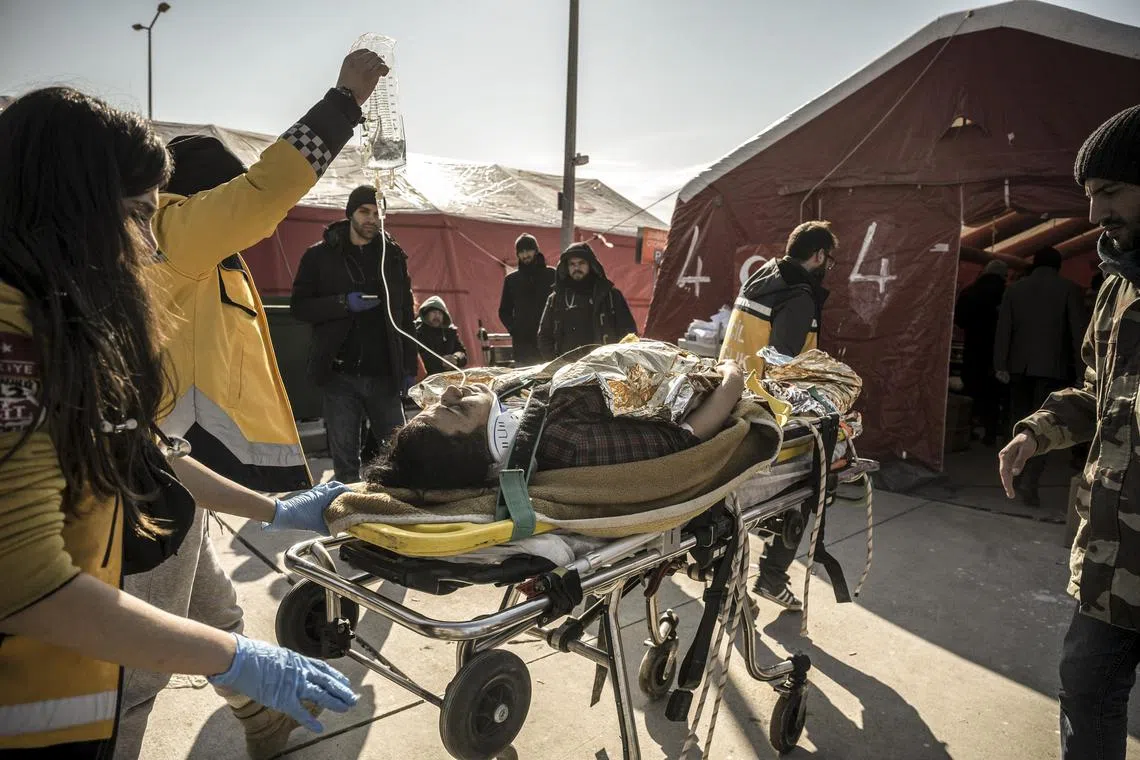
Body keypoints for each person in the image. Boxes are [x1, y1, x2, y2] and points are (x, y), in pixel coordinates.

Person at [0, 87, 357, 758]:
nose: (147, 244)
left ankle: (258, 711)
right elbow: (29, 586)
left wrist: (276, 512)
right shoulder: (13, 340)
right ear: (67, 207)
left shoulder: (61, 323)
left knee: (206, 605)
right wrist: (348, 98)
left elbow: (144, 456)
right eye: (137, 215)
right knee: (163, 659)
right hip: (46, 707)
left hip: (80, 676)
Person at [998, 103, 1140, 760]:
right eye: (1089, 196)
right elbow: (1096, 388)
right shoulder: (1117, 284)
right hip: (1116, 559)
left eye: (1109, 193)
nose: (1094, 215)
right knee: (1086, 690)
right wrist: (1037, 431)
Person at [369, 355, 745, 490]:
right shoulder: (567, 441)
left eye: (437, 403)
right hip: (704, 376)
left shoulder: (514, 400)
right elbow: (687, 440)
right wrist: (732, 376)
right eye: (455, 410)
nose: (451, 393)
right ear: (497, 440)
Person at [719, 220, 837, 611]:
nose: (828, 266)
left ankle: (733, 581)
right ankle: (770, 576)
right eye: (828, 259)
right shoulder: (799, 295)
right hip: (766, 411)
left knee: (730, 501)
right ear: (818, 255)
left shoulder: (761, 276)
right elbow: (783, 366)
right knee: (811, 482)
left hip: (728, 398)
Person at [291, 185, 418, 484]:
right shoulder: (319, 257)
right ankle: (349, 520)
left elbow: (406, 315)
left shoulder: (392, 257)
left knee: (400, 456)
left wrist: (408, 366)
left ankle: (395, 515)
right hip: (339, 375)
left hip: (384, 374)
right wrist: (342, 303)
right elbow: (299, 307)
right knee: (346, 464)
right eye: (364, 212)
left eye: (377, 213)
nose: (372, 219)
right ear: (350, 213)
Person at [993, 246, 1086, 506]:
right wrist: (1082, 373)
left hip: (1018, 368)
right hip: (1052, 369)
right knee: (1043, 428)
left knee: (1016, 422)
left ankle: (1010, 475)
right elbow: (1078, 334)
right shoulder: (1069, 289)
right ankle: (1030, 482)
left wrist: (1000, 363)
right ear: (1058, 266)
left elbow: (1004, 329)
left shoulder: (1015, 289)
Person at [536, 242, 637, 360]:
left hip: (603, 367)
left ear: (591, 265)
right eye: (572, 264)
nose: (576, 268)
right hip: (567, 371)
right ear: (566, 267)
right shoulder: (556, 299)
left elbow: (628, 333)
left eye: (581, 263)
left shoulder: (610, 296)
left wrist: (617, 362)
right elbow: (544, 336)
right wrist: (555, 364)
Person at [953, 259, 1008, 446]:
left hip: (973, 348)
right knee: (993, 393)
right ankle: (990, 432)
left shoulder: (970, 292)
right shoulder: (1005, 294)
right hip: (996, 350)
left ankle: (967, 430)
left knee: (972, 390)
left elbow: (959, 320)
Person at [498, 233, 556, 365]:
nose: (525, 255)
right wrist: (515, 330)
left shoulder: (551, 275)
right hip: (523, 346)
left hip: (549, 342)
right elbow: (504, 311)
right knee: (525, 383)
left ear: (536, 250)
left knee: (550, 380)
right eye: (521, 252)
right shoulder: (511, 280)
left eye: (528, 250)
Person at [414, 295, 468, 376]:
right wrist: (441, 362)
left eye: (440, 313)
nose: (437, 316)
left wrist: (456, 358)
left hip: (450, 377)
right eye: (434, 312)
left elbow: (462, 352)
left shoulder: (450, 332)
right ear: (426, 314)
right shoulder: (417, 331)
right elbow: (418, 356)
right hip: (427, 378)